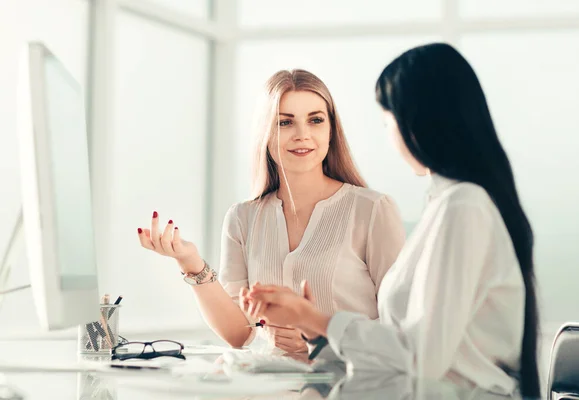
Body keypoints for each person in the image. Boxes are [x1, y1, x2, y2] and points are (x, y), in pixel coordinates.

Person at [241, 44, 541, 398]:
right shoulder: (447, 204)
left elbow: (419, 357)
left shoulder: (464, 207)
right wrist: (318, 333)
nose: (390, 136)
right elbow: (404, 355)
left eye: (388, 122)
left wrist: (316, 320)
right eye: (284, 122)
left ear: (418, 123)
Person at [137, 69, 405, 353]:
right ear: (266, 132)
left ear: (331, 130)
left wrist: (323, 341)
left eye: (315, 120)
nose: (302, 135)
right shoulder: (242, 218)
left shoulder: (373, 210)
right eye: (285, 123)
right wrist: (190, 262)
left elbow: (401, 327)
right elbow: (239, 334)